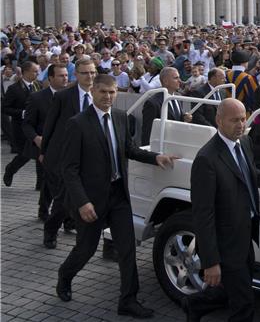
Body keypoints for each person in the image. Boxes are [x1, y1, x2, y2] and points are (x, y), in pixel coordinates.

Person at [56, 74, 179, 317]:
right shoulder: (78, 123)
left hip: (119, 196)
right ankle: (65, 275)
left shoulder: (122, 118)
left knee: (127, 249)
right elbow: (69, 169)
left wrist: (156, 157)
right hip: (91, 200)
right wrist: (82, 202)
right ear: (93, 92)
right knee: (85, 249)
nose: (108, 97)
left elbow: (129, 149)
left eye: (112, 92)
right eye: (103, 92)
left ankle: (128, 301)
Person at [183, 98, 260, 322]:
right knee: (244, 303)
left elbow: (251, 175)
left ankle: (195, 304)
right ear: (219, 121)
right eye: (234, 120)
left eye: (243, 119)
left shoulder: (243, 143)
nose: (240, 124)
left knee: (231, 290)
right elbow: (202, 214)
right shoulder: (206, 159)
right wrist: (210, 261)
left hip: (245, 235)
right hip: (225, 242)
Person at [41, 57, 96, 249]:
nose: (89, 76)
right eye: (85, 73)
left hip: (89, 157)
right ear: (76, 75)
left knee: (80, 197)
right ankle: (50, 230)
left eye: (92, 72)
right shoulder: (63, 97)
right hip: (65, 157)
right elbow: (49, 126)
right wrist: (45, 152)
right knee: (64, 199)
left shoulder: (99, 95)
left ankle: (74, 225)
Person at [22, 64, 68, 224]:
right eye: (61, 76)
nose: (65, 78)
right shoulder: (37, 98)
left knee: (57, 181)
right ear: (50, 78)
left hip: (66, 147)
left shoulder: (72, 97)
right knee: (52, 181)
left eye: (66, 75)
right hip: (44, 148)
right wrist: (36, 138)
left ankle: (58, 214)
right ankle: (50, 213)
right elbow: (27, 124)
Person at [2, 60, 41, 187]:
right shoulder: (14, 88)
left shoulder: (38, 85)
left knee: (40, 153)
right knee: (25, 154)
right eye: (34, 71)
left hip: (37, 127)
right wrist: (22, 113)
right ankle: (10, 169)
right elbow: (5, 108)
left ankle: (40, 184)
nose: (37, 73)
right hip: (20, 127)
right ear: (25, 72)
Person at [140, 67, 194, 146]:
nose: (180, 81)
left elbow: (175, 119)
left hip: (176, 145)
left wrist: (184, 118)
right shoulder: (152, 103)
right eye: (176, 78)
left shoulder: (178, 98)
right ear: (165, 81)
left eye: (179, 78)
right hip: (161, 148)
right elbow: (147, 132)